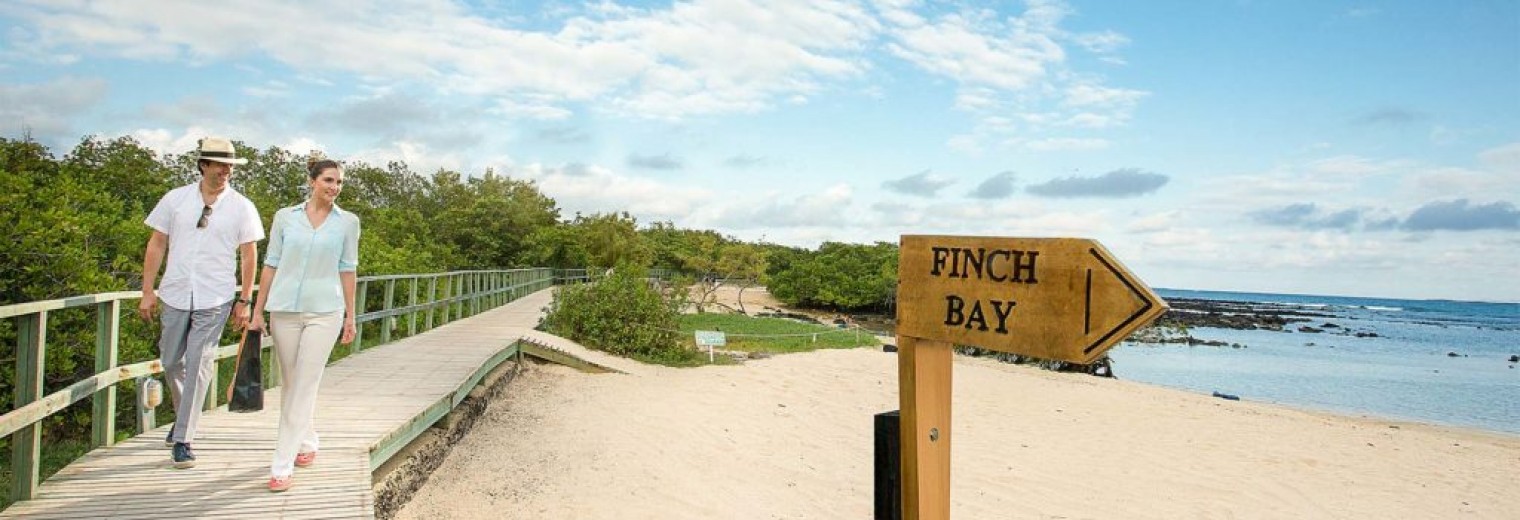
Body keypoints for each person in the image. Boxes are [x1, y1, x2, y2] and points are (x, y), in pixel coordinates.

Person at [139, 137, 264, 469]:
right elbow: (157, 244)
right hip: (176, 292)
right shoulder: (176, 199)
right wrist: (147, 290)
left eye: (230, 167)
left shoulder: (242, 206)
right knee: (170, 361)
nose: (226, 171)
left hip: (216, 296)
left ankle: (183, 438)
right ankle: (184, 418)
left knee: (199, 363)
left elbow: (249, 254)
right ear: (203, 165)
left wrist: (245, 298)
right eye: (219, 165)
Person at [250, 153, 360, 492]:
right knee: (291, 381)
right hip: (283, 309)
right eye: (329, 180)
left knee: (305, 383)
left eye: (339, 182)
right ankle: (308, 440)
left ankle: (281, 463)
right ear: (312, 181)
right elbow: (270, 264)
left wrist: (351, 317)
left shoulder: (348, 222)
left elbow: (348, 269)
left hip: (326, 311)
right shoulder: (285, 218)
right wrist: (257, 310)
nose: (335, 187)